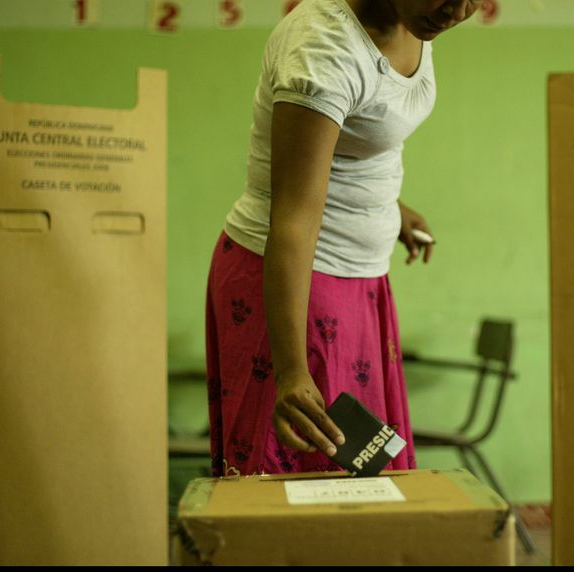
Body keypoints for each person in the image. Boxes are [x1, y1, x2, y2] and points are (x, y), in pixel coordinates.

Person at [205, 0, 484, 477]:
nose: (456, 11)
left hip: (359, 280)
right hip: (300, 282)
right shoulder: (324, 48)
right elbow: (293, 219)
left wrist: (388, 207)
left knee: (361, 474)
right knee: (310, 480)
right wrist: (292, 370)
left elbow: (356, 137)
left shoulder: (414, 15)